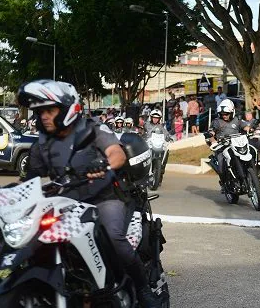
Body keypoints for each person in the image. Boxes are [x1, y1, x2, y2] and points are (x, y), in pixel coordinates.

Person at [17, 80, 161, 307]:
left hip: (103, 199)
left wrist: (104, 166)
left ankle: (143, 290)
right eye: (40, 111)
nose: (43, 116)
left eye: (49, 110)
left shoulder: (94, 129)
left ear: (67, 109)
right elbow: (29, 180)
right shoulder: (42, 143)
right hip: (65, 202)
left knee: (114, 237)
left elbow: (117, 154)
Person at [207, 99, 250, 193]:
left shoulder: (237, 120)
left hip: (237, 144)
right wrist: (213, 140)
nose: (224, 116)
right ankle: (224, 183)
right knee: (221, 164)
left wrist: (249, 130)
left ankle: (252, 174)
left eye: (226, 113)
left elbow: (245, 127)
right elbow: (211, 132)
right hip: (222, 147)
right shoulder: (217, 122)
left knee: (252, 153)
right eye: (222, 114)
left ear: (232, 112)